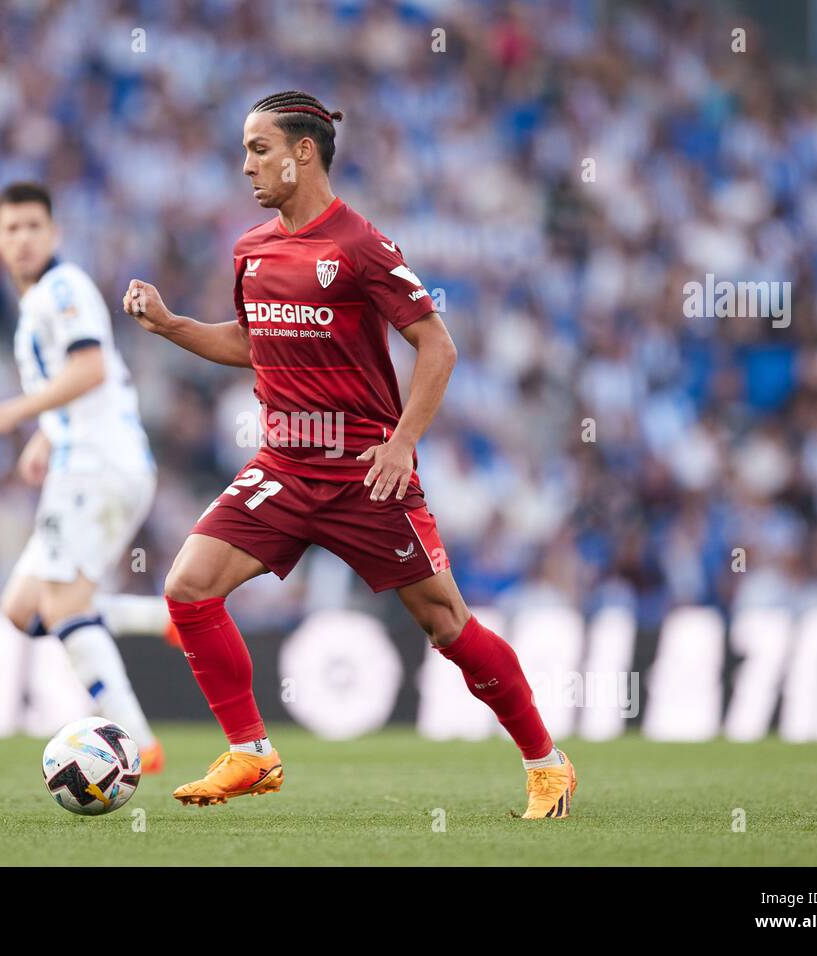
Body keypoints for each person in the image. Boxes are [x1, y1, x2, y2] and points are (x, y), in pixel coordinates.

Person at [123, 92, 576, 817]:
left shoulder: (361, 246)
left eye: (259, 149)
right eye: (245, 151)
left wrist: (402, 444)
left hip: (365, 471)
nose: (246, 166)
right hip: (282, 465)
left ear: (304, 153)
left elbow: (438, 344)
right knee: (188, 587)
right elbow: (249, 343)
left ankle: (546, 763)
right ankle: (250, 752)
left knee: (447, 626)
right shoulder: (251, 250)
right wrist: (173, 325)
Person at [0, 182, 165, 773]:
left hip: (98, 465)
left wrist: (13, 414)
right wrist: (48, 433)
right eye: (11, 229)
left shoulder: (64, 287)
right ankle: (156, 618)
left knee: (65, 605)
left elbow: (92, 367)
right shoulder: (37, 305)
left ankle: (139, 746)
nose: (22, 239)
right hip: (89, 459)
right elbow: (84, 380)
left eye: (33, 227)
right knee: (23, 608)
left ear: (54, 234)